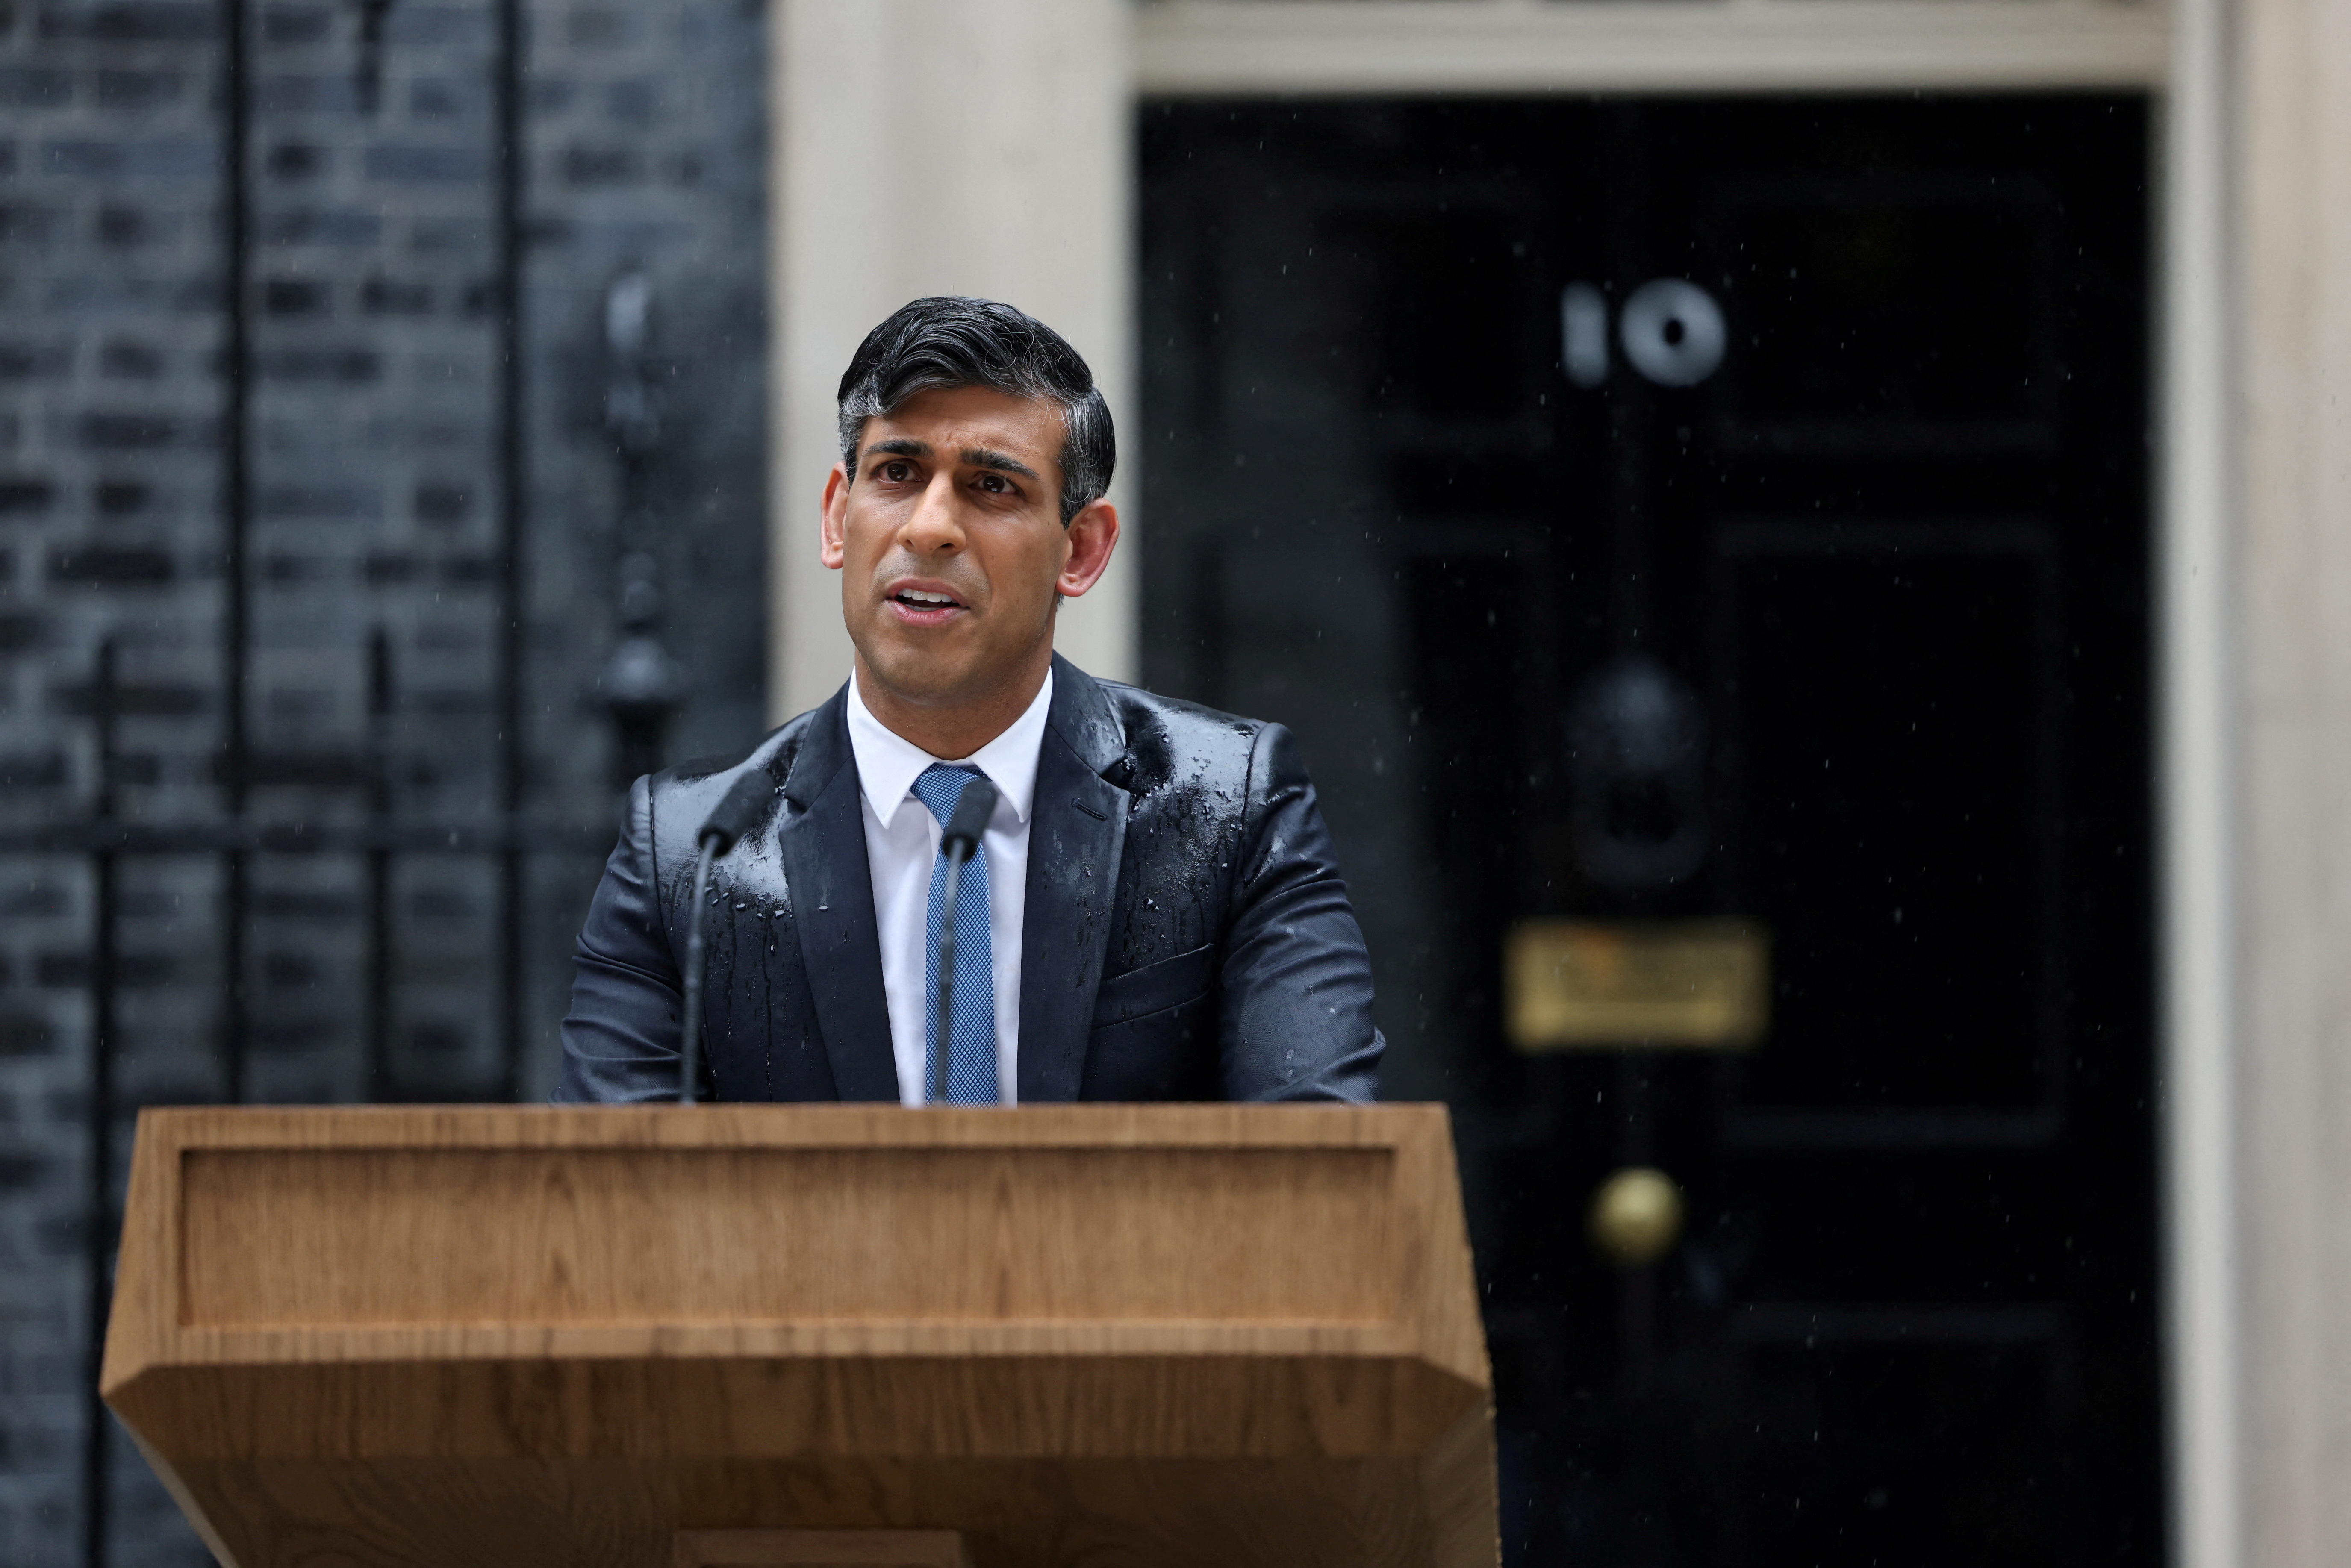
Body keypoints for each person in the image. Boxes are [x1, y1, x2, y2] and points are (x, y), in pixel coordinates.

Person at [554, 297, 1382, 1104]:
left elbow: (1318, 1168)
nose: (929, 527)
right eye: (897, 474)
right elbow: (611, 1204)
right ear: (838, 519)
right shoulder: (691, 854)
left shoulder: (1230, 806)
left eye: (990, 486)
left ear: (1082, 549)